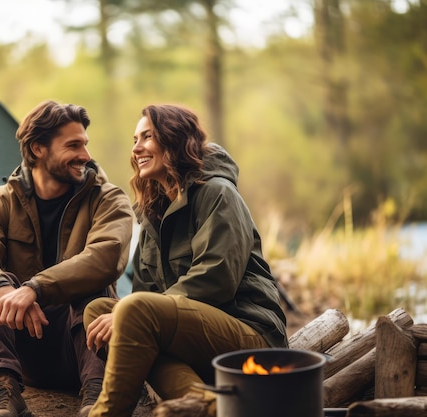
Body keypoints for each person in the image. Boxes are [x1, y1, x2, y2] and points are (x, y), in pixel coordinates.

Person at [83, 104, 288, 417]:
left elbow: (216, 278)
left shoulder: (217, 193)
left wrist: (132, 312)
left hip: (249, 334)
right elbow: (144, 291)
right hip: (193, 336)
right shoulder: (153, 211)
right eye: (134, 139)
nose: (136, 148)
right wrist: (127, 314)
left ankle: (108, 412)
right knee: (99, 311)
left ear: (174, 139)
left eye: (147, 137)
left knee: (131, 312)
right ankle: (209, 404)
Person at [0, 100, 134, 417]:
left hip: (84, 347)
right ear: (38, 149)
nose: (86, 156)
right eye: (73, 145)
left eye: (85, 144)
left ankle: (96, 394)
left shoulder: (107, 198)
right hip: (26, 348)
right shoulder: (1, 201)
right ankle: (4, 391)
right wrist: (4, 291)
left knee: (92, 285)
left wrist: (35, 288)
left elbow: (105, 257)